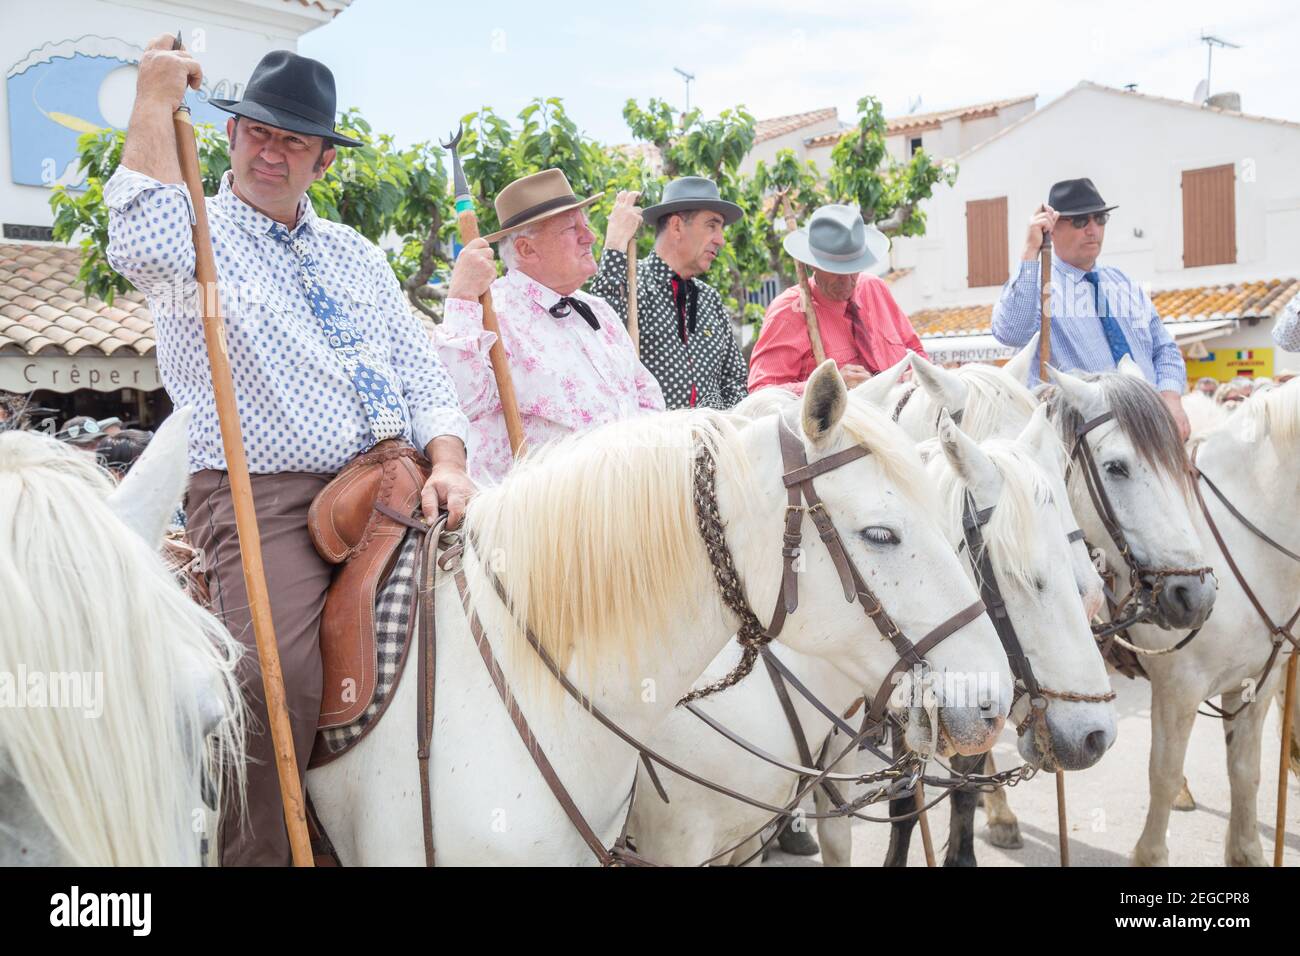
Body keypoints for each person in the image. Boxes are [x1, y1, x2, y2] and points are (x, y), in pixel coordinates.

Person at [105, 38, 473, 865]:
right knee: (274, 682)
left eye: (295, 141)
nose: (273, 152)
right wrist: (151, 100)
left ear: (322, 161)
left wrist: (448, 459)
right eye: (259, 134)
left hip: (397, 480)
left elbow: (427, 380)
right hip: (258, 494)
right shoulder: (194, 235)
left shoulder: (360, 255)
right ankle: (259, 856)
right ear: (231, 137)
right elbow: (132, 243)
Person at [436, 169, 665, 483]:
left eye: (586, 224)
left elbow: (648, 397)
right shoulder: (489, 314)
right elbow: (461, 403)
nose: (591, 236)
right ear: (526, 250)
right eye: (572, 228)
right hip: (542, 520)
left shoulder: (598, 310)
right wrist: (461, 297)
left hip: (629, 502)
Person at [991, 178, 1190, 439]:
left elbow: (1164, 349)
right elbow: (1011, 333)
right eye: (1080, 221)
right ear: (1051, 228)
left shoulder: (1123, 282)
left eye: (1100, 219)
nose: (1092, 229)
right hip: (1085, 446)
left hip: (1151, 433)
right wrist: (1030, 251)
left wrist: (1171, 398)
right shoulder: (1040, 283)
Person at [588, 177, 748, 409]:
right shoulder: (632, 285)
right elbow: (600, 339)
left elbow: (734, 380)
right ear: (676, 226)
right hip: (653, 442)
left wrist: (728, 427)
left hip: (712, 441)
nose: (721, 240)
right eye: (712, 226)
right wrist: (614, 244)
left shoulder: (709, 299)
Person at [748, 204, 926, 394]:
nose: (848, 281)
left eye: (854, 268)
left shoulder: (875, 289)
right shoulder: (788, 312)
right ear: (811, 264)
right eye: (836, 271)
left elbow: (917, 355)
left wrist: (915, 376)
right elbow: (760, 393)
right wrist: (826, 385)